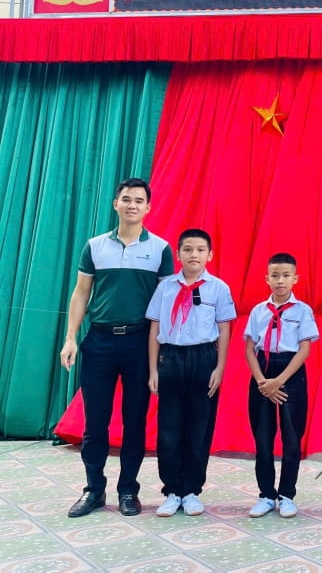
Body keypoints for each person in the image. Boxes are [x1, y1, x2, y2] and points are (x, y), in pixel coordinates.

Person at [60, 178, 174, 518]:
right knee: (95, 423)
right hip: (99, 341)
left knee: (135, 421)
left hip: (139, 342)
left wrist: (160, 352)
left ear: (148, 207)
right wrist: (71, 337)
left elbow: (165, 303)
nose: (132, 205)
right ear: (115, 204)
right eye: (126, 199)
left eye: (139, 200)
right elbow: (81, 292)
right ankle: (93, 490)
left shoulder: (160, 249)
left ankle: (128, 491)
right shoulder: (95, 246)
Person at [146, 228, 236, 517]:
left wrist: (219, 367)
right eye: (187, 249)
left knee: (199, 427)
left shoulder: (218, 288)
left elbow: (224, 329)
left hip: (203, 358)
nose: (193, 254)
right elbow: (155, 327)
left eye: (200, 250)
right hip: (171, 357)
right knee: (169, 428)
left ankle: (192, 491)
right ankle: (172, 490)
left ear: (210, 255)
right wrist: (153, 369)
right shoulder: (165, 287)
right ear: (178, 254)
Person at [243, 253, 319, 518]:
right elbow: (250, 348)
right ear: (267, 279)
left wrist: (280, 381)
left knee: (291, 438)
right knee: (263, 438)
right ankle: (266, 495)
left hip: (291, 374)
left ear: (295, 279)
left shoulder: (303, 311)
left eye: (286, 275)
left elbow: (305, 350)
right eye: (275, 276)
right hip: (262, 373)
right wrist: (262, 382)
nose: (280, 281)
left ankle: (287, 495)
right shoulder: (258, 311)